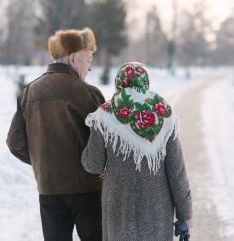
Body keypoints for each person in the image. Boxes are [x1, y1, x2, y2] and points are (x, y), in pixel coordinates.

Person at [6, 28, 105, 241]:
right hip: (88, 190)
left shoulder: (29, 91)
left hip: (49, 188)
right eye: (88, 59)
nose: (90, 66)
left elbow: (15, 143)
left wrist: (44, 162)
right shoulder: (90, 93)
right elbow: (106, 144)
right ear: (72, 59)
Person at [81, 62, 192, 241]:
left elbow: (93, 164)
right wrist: (185, 215)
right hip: (157, 211)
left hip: (119, 208)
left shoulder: (104, 115)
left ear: (118, 83)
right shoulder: (163, 113)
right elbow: (176, 171)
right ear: (145, 83)